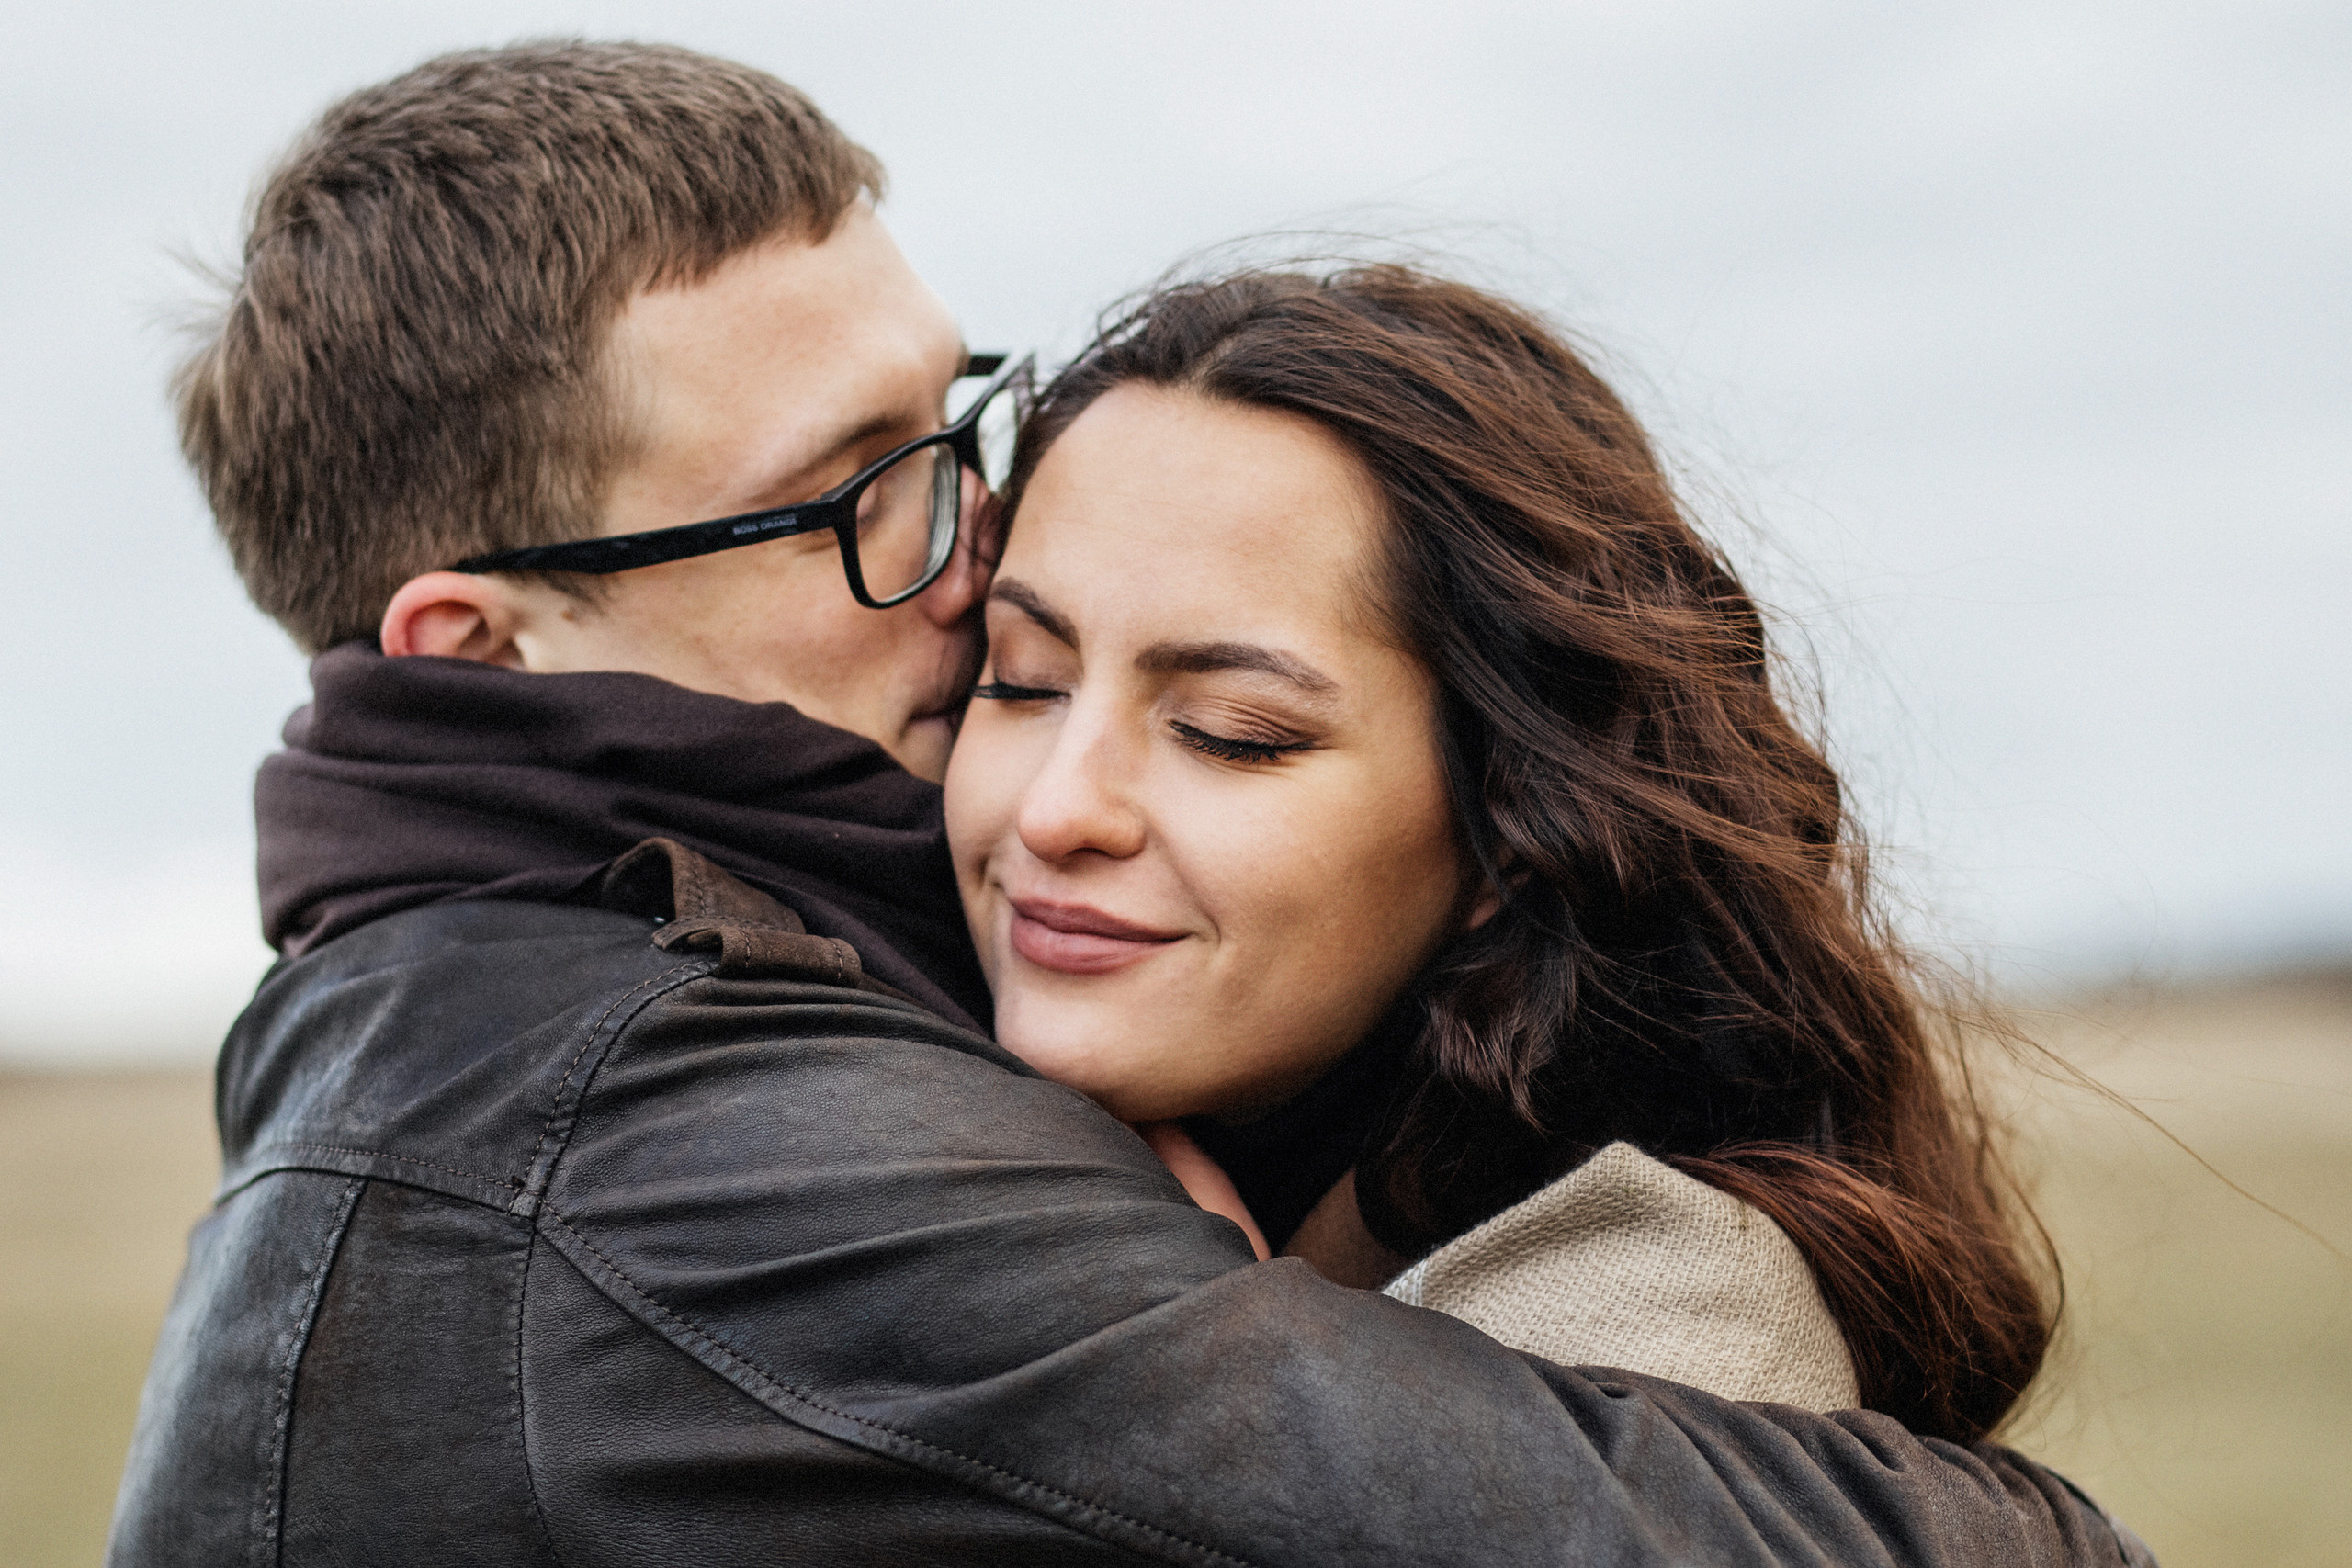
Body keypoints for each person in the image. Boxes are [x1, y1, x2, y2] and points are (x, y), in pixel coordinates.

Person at [110, 39, 2150, 1566]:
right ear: (479, 647)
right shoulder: (689, 1139)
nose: (970, 543)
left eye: (956, 423)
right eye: (854, 493)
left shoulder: (481, 1004)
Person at [942, 266, 2046, 1437]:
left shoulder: (1647, 1350)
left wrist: (1202, 1362)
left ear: (1514, 830)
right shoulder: (854, 1085)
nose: (1057, 811)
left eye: (1233, 735)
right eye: (1021, 680)